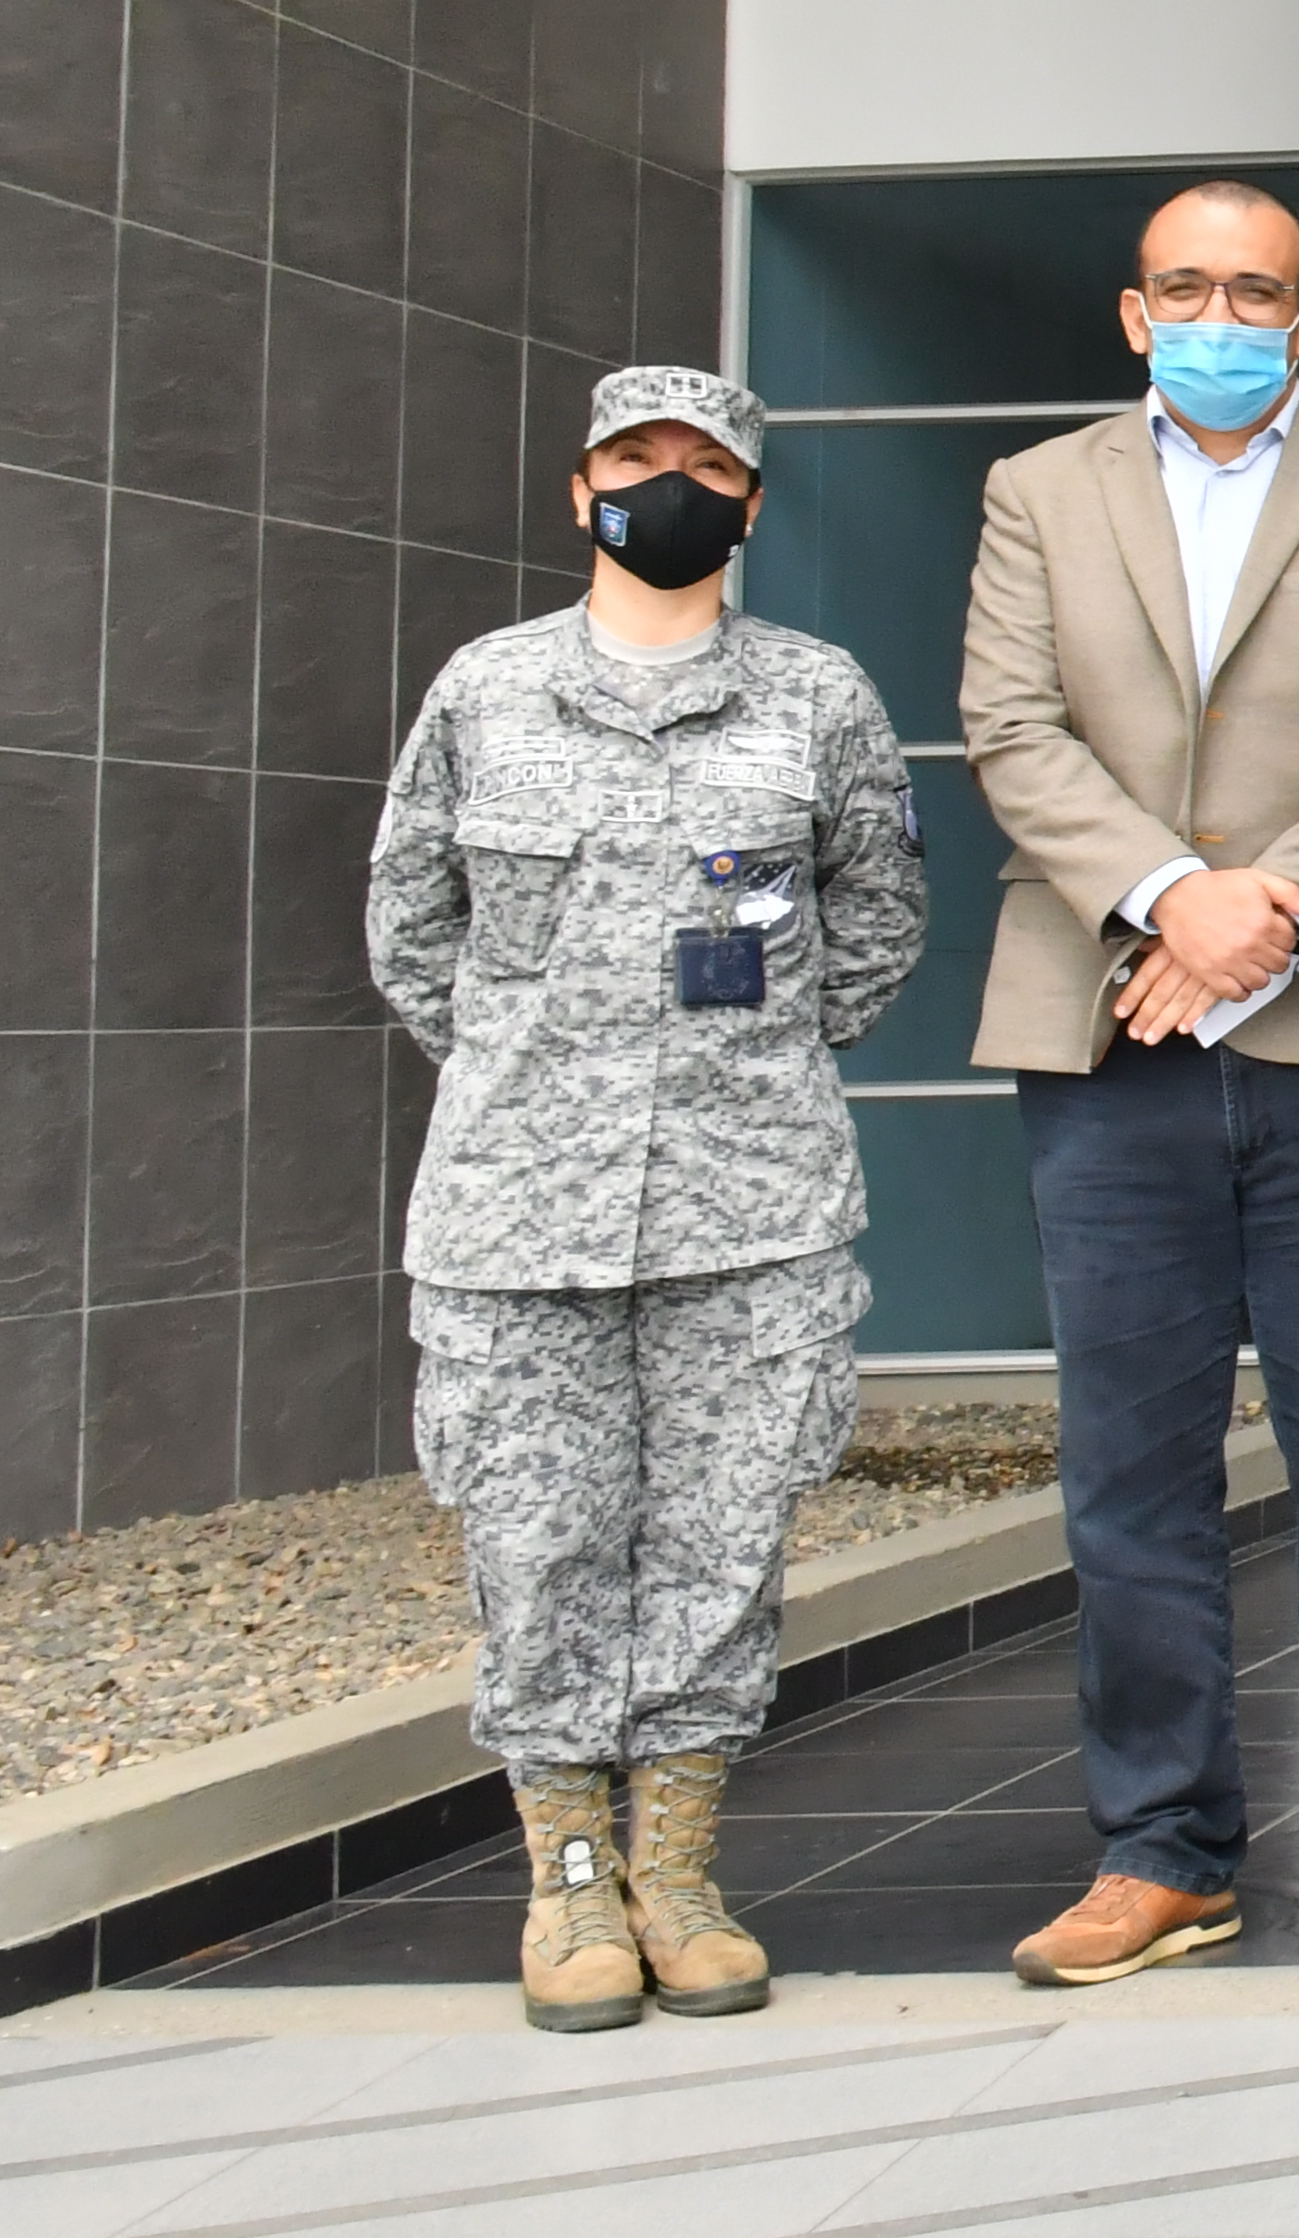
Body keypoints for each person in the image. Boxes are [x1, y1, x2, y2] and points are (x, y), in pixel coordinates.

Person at [961, 179, 1299, 1987]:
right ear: (1134, 316)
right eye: (1185, 287)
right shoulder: (1039, 493)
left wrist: (1264, 908)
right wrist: (1170, 896)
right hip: (1108, 1031)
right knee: (1131, 1475)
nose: (1219, 312)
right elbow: (1011, 729)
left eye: (1255, 290)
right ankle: (1160, 1846)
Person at [364, 365, 923, 2033]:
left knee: (722, 1538)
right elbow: (412, 927)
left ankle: (678, 1868)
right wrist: (543, 1070)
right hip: (517, 1213)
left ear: (749, 505)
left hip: (751, 1209)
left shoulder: (816, 698)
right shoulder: (488, 689)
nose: (666, 486)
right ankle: (567, 1884)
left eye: (704, 467)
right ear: (580, 487)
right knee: (536, 1543)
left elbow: (875, 929)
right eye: (635, 461)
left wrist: (734, 1076)